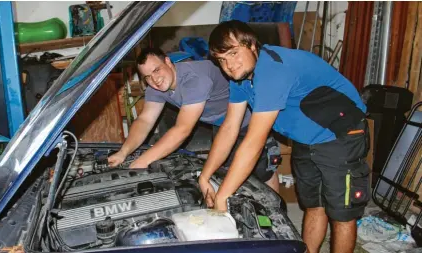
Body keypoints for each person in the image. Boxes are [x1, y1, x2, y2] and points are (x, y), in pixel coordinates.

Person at [199, 20, 369, 253]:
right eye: (221, 60)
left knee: (341, 213)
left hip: (341, 134)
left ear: (251, 46)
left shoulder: (273, 70)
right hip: (306, 137)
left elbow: (254, 142)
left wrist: (223, 197)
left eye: (233, 53)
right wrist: (204, 176)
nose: (229, 65)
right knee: (313, 205)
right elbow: (229, 128)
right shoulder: (240, 77)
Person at [107, 48, 280, 192]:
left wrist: (142, 162)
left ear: (168, 62)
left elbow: (182, 129)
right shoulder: (155, 86)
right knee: (226, 175)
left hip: (246, 120)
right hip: (221, 124)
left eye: (157, 70)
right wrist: (123, 152)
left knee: (261, 173)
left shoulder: (195, 79)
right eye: (147, 77)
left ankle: (279, 217)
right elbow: (145, 120)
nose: (154, 80)